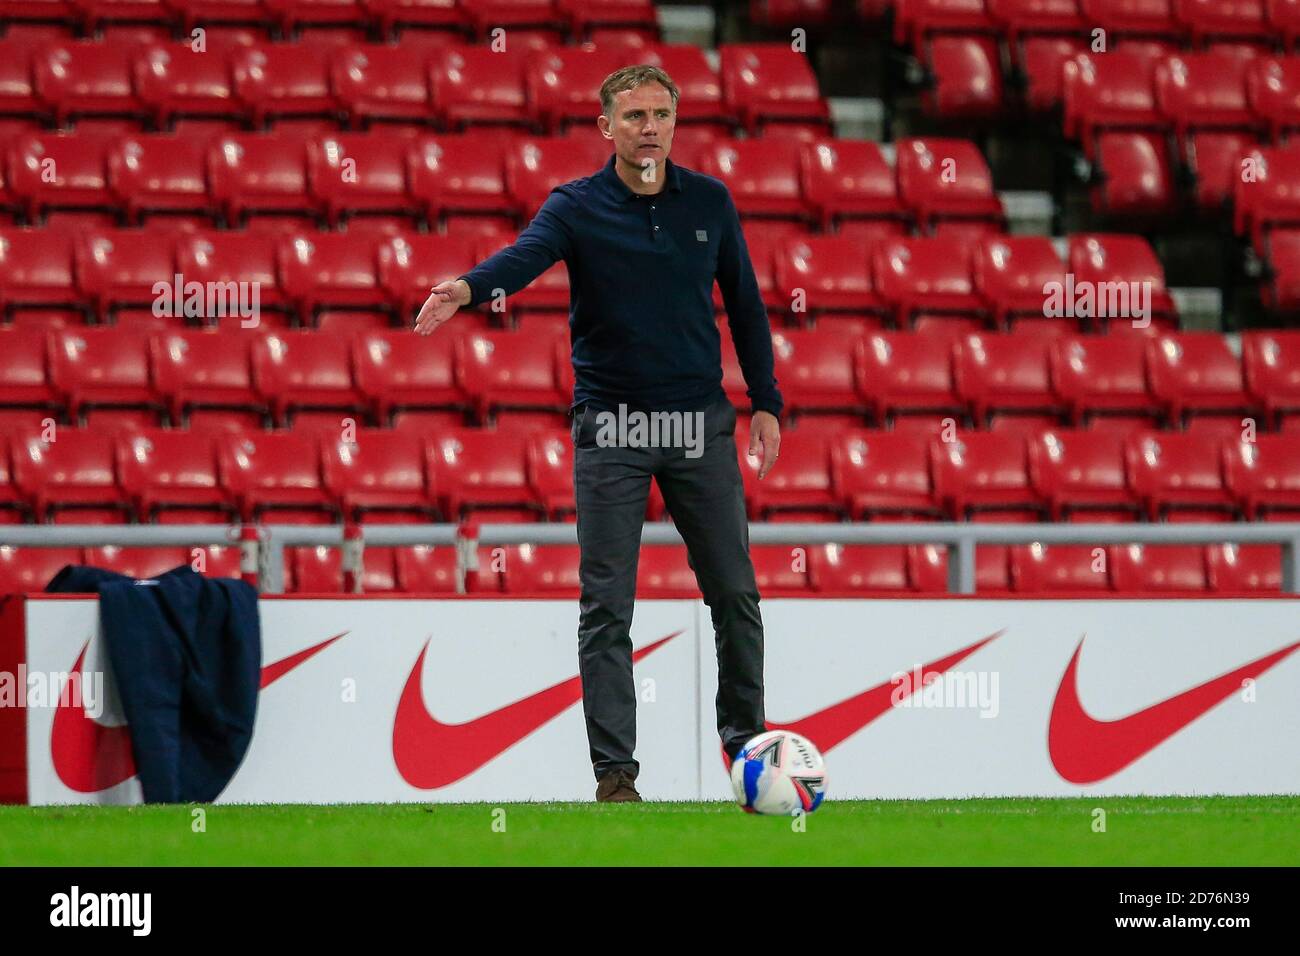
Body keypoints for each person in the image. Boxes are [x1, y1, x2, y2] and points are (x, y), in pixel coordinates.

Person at [414, 65, 783, 803]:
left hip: (698, 426)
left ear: (675, 123)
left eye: (661, 114)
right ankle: (615, 776)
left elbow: (745, 304)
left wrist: (766, 402)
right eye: (635, 114)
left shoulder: (710, 201)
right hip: (611, 426)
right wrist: (468, 287)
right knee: (607, 605)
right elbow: (526, 257)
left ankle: (746, 746)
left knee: (735, 593)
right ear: (606, 127)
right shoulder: (576, 207)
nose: (650, 127)